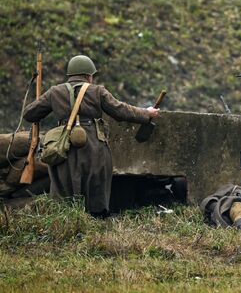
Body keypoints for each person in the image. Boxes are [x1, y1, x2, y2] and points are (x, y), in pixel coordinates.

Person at [23, 55, 159, 217]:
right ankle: (96, 217)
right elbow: (121, 111)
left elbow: (29, 114)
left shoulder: (55, 92)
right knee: (96, 182)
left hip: (62, 146)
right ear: (89, 76)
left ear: (70, 75)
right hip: (94, 145)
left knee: (64, 184)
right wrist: (146, 113)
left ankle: (66, 218)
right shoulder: (97, 91)